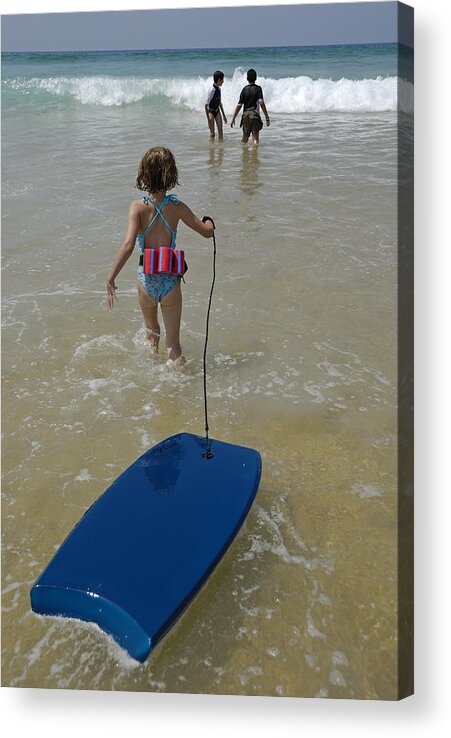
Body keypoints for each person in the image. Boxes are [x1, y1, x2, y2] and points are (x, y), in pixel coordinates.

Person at [106, 146, 214, 368]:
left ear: (144, 175)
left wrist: (111, 277)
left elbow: (127, 246)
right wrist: (210, 222)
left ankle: (152, 385)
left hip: (146, 282)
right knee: (173, 344)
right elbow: (206, 232)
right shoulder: (177, 207)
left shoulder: (137, 208)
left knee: (152, 335)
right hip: (170, 283)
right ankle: (179, 385)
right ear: (171, 175)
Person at [230, 68, 270, 145]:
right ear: (256, 78)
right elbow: (261, 103)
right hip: (255, 115)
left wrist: (233, 119)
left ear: (247, 78)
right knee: (255, 139)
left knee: (244, 139)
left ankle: (244, 156)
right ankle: (254, 156)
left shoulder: (244, 90)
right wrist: (267, 117)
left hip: (245, 115)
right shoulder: (258, 89)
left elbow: (239, 106)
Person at [205, 70, 227, 140]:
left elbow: (220, 103)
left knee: (221, 131)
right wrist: (208, 119)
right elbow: (206, 105)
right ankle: (212, 149)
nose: (223, 81)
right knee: (212, 134)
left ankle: (221, 149)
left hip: (217, 111)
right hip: (210, 111)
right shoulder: (211, 90)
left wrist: (224, 116)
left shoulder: (219, 89)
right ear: (218, 80)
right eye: (222, 80)